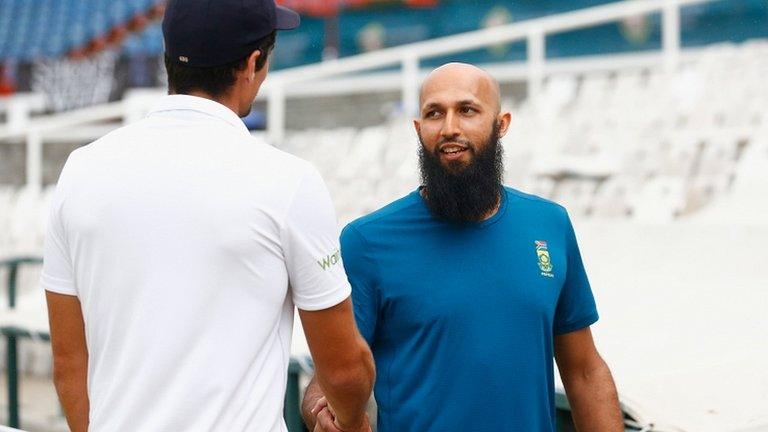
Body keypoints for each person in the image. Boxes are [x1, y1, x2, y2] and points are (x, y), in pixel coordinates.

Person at [42, 1, 374, 431]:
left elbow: (69, 362)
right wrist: (351, 422)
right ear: (253, 63)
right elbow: (344, 368)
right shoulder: (287, 181)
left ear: (168, 58)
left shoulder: (80, 170)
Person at [302, 63, 623, 431]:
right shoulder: (367, 241)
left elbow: (583, 370)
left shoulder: (550, 224)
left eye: (467, 110)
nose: (450, 127)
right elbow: (333, 374)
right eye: (434, 113)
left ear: (501, 124)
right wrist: (318, 411)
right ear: (419, 129)